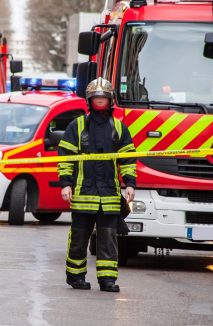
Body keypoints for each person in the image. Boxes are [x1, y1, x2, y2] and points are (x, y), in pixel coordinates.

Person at [57, 77, 137, 292]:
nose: (100, 102)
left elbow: (128, 159)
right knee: (78, 240)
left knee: (108, 241)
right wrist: (65, 184)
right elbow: (66, 158)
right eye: (96, 99)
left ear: (110, 101)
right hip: (83, 195)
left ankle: (107, 280)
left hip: (109, 197)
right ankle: (75, 276)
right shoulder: (78, 126)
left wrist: (130, 184)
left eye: (103, 99)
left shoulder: (119, 128)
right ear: (89, 101)